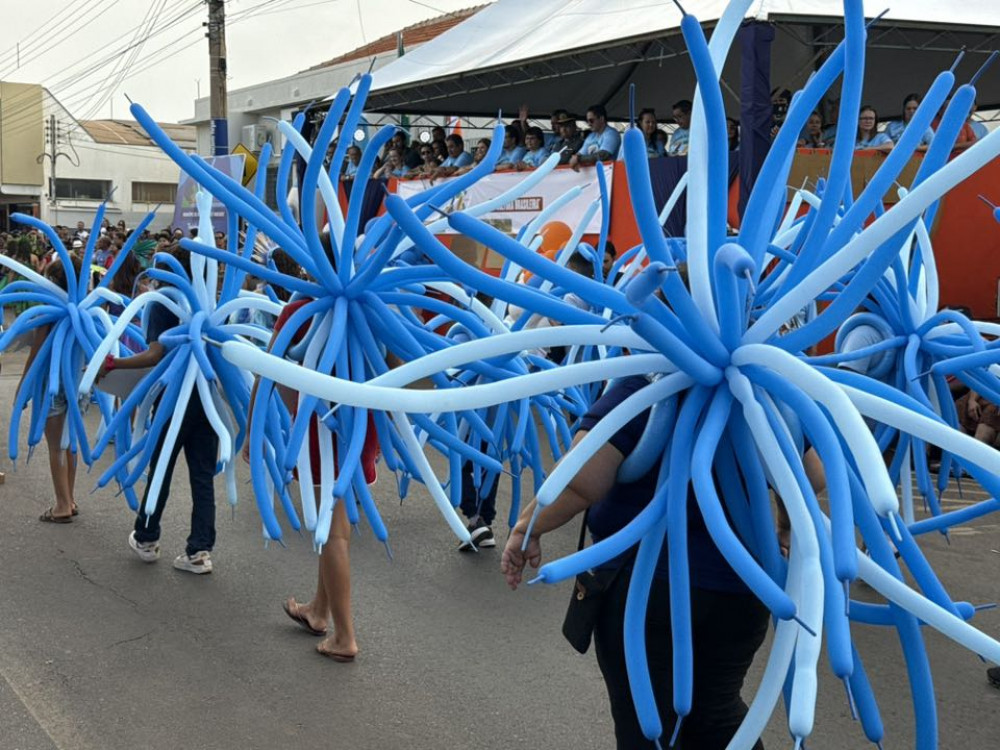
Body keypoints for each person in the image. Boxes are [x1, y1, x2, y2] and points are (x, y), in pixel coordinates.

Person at [502, 376, 770, 749]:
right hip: (741, 590)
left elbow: (581, 479)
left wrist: (527, 528)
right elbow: (812, 473)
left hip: (647, 589)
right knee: (716, 714)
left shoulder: (644, 388)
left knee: (647, 728)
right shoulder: (766, 398)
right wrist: (783, 528)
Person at [99, 244, 219, 574]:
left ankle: (147, 538)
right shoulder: (207, 299)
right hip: (205, 397)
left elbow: (154, 354)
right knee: (202, 476)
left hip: (173, 396)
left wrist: (114, 364)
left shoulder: (162, 301)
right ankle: (200, 551)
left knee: (161, 468)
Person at [19, 256, 85, 523]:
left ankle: (62, 505)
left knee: (56, 446)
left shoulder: (48, 311)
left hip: (51, 383)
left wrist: (23, 388)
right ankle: (70, 498)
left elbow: (36, 354)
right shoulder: (85, 309)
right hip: (78, 383)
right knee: (69, 443)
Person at [570, 104, 621, 170]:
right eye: (587, 121)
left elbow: (602, 156)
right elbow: (579, 154)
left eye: (591, 121)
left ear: (601, 119)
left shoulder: (611, 134)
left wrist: (578, 159)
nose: (589, 124)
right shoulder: (591, 136)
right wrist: (576, 158)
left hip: (610, 173)